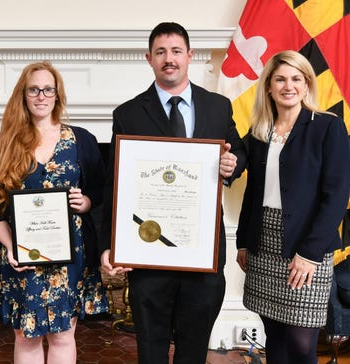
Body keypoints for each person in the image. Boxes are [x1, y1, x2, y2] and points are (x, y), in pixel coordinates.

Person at [99, 22, 247, 364]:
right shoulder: (128, 113)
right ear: (149, 58)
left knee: (194, 350)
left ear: (190, 56)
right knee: (150, 349)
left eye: (177, 51)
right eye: (161, 52)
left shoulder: (218, 107)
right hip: (149, 254)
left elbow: (238, 151)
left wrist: (232, 163)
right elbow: (113, 183)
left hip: (203, 252)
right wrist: (111, 243)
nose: (170, 59)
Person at [0, 61, 108, 363]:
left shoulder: (82, 140)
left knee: (64, 336)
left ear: (57, 95)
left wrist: (85, 202)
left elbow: (99, 195)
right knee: (27, 337)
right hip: (21, 256)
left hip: (70, 258)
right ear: (23, 96)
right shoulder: (3, 144)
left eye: (48, 89)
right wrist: (12, 246)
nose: (41, 96)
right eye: (33, 89)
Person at [235, 50, 350, 364]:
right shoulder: (260, 131)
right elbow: (253, 191)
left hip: (307, 243)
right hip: (264, 242)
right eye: (281, 79)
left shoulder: (328, 127)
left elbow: (336, 195)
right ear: (269, 87)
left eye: (296, 78)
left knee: (301, 344)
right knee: (274, 337)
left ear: (307, 84)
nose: (289, 86)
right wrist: (244, 241)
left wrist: (310, 253)